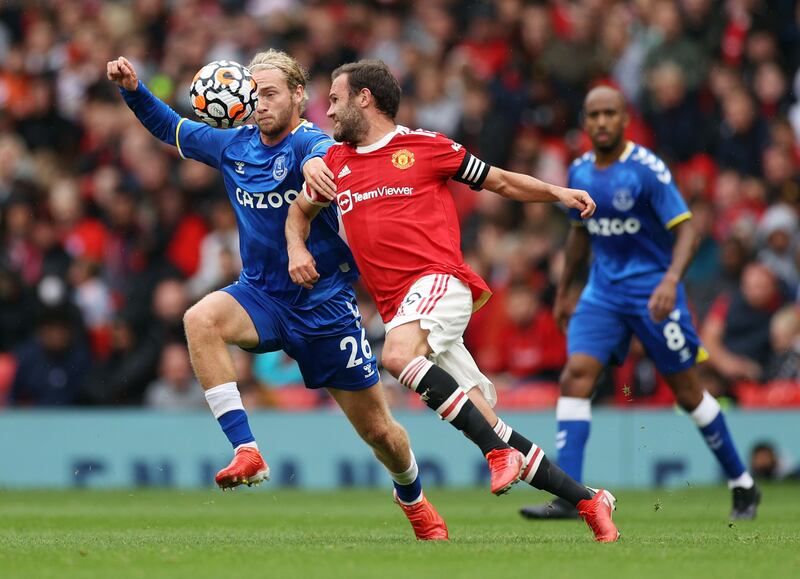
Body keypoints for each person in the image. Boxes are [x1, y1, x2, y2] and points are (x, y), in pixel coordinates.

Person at [107, 52, 447, 540]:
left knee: (381, 434)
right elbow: (172, 128)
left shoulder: (315, 144)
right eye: (254, 94)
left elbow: (319, 160)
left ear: (297, 97)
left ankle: (412, 497)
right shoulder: (234, 145)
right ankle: (247, 450)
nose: (259, 104)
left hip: (323, 306)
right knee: (200, 319)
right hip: (260, 295)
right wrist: (134, 89)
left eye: (270, 94)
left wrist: (314, 169)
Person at [286, 59, 618, 542]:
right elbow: (298, 214)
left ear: (365, 98)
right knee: (489, 424)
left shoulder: (426, 147)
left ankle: (496, 455)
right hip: (402, 308)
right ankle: (590, 501)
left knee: (396, 357)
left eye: (334, 100)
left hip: (441, 281)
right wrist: (297, 246)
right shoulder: (335, 164)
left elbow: (500, 181)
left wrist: (557, 193)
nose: (329, 112)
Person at [518, 86, 760, 521]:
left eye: (611, 113)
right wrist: (564, 290)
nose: (603, 122)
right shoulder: (580, 170)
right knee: (575, 375)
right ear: (586, 122)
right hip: (602, 292)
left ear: (625, 119)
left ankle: (743, 483)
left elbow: (687, 230)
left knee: (688, 392)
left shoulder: (647, 170)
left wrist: (670, 280)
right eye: (595, 115)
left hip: (653, 293)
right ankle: (571, 496)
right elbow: (578, 233)